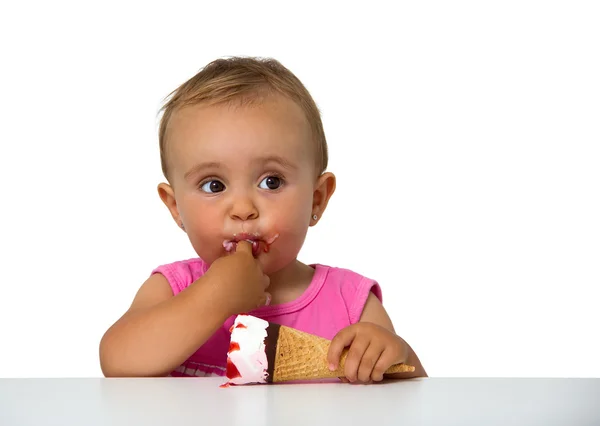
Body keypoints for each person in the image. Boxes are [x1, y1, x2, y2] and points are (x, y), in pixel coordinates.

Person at [99, 56, 427, 383]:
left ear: (317, 198)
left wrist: (396, 354)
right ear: (175, 207)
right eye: (214, 185)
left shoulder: (350, 302)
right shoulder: (173, 288)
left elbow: (416, 399)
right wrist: (214, 296)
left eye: (271, 181)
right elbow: (117, 360)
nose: (243, 208)